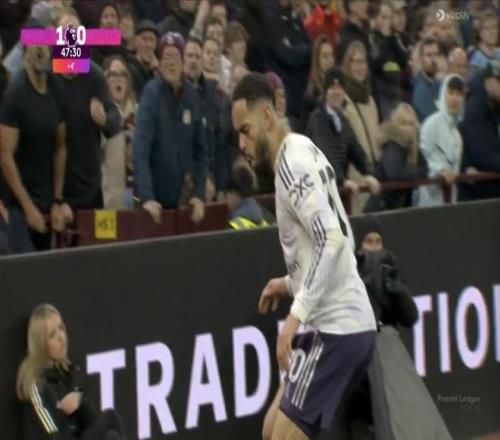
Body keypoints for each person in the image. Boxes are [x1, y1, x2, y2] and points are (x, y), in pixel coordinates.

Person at [232, 72, 377, 440]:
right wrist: (287, 283)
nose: (241, 144)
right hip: (337, 326)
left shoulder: (291, 164)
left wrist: (294, 317)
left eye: (245, 130)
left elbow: (332, 240)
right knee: (271, 431)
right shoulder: (299, 147)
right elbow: (333, 240)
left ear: (267, 117)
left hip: (338, 329)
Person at [348, 217, 452, 440]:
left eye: (378, 241)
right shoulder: (349, 271)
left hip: (388, 359)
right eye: (369, 241)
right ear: (359, 245)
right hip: (358, 363)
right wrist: (368, 282)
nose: (374, 247)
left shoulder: (389, 269)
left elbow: (410, 317)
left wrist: (398, 291)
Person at [0, 40, 72, 253]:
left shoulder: (57, 90)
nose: (40, 48)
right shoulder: (15, 94)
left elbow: (61, 146)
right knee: (26, 268)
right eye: (35, 44)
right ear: (26, 53)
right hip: (16, 205)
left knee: (45, 268)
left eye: (44, 44)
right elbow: (5, 156)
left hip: (46, 202)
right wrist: (28, 208)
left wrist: (57, 200)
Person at [17, 304, 126, 439]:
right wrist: (62, 409)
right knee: (110, 417)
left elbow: (90, 418)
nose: (61, 337)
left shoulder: (67, 372)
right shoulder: (36, 386)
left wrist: (78, 397)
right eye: (52, 335)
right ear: (40, 344)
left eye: (61, 328)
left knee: (111, 435)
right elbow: (52, 435)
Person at [134, 32, 208, 224]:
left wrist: (199, 194)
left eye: (176, 57)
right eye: (166, 57)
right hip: (155, 204)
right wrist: (147, 198)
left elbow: (201, 152)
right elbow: (140, 150)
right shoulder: (151, 94)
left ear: (182, 62)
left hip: (185, 203)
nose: (171, 63)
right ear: (159, 62)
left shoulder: (192, 96)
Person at [56, 9, 122, 211]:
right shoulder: (49, 76)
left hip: (90, 187)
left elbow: (115, 119)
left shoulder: (95, 75)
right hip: (57, 186)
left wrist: (104, 120)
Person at [306, 68, 381, 198]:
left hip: (338, 192)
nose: (336, 92)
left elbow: (356, 150)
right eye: (332, 88)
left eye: (340, 88)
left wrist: (369, 174)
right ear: (326, 92)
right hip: (319, 192)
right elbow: (324, 152)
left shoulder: (343, 120)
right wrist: (342, 181)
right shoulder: (317, 119)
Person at [184, 36, 229, 199]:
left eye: (197, 56)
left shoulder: (213, 95)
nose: (193, 61)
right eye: (189, 56)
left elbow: (220, 146)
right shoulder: (173, 94)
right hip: (185, 176)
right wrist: (199, 178)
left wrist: (222, 187)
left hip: (210, 173)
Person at [341, 41, 380, 214]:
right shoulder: (344, 100)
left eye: (363, 62)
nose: (360, 67)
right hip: (354, 173)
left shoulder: (370, 100)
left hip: (372, 172)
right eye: (355, 62)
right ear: (347, 65)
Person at [365, 103, 427, 212]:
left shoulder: (413, 147)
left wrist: (413, 172)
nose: (407, 129)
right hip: (382, 208)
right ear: (396, 125)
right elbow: (395, 173)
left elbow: (425, 169)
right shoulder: (393, 146)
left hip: (398, 207)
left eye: (411, 124)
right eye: (403, 124)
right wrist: (415, 172)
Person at [418, 74, 465, 207]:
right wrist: (440, 171)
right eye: (451, 93)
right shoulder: (431, 124)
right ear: (443, 94)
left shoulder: (457, 136)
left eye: (458, 94)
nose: (454, 99)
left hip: (450, 200)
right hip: (429, 199)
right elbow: (423, 158)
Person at [461, 60, 500, 200]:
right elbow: (482, 157)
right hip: (480, 194)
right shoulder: (475, 109)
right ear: (488, 84)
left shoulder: (496, 105)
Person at [102, 55, 138, 210]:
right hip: (107, 201)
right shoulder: (101, 115)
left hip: (134, 200)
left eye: (122, 74)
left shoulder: (139, 114)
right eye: (113, 75)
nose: (118, 79)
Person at [370, 0, 409, 120]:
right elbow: (377, 65)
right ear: (375, 19)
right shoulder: (372, 39)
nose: (387, 22)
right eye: (383, 17)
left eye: (389, 18)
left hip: (396, 93)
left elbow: (403, 61)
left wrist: (391, 39)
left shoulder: (395, 38)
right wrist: (385, 39)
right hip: (381, 95)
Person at [302, 35, 335, 131]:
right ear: (317, 60)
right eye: (325, 56)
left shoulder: (339, 90)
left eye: (331, 55)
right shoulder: (311, 97)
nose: (330, 60)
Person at [412, 37, 442, 122]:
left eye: (436, 54)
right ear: (421, 59)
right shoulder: (420, 89)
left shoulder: (440, 84)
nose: (433, 60)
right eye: (429, 55)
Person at [127, 19, 159, 99]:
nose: (148, 45)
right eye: (144, 39)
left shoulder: (156, 72)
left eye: (152, 40)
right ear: (135, 41)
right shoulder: (130, 70)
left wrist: (157, 73)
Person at [468, 10, 500, 77]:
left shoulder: (499, 53)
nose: (492, 32)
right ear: (480, 33)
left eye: (494, 27)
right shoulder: (476, 58)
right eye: (488, 28)